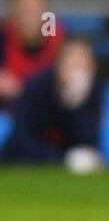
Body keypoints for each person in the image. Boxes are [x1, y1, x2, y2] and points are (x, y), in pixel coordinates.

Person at [6, 37, 102, 168]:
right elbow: (21, 140)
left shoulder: (93, 90)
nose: (76, 70)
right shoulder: (35, 86)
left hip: (65, 172)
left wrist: (74, 103)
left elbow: (89, 144)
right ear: (58, 64)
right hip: (23, 165)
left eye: (82, 64)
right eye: (71, 63)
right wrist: (63, 158)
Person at [0, 0, 63, 111]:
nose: (27, 17)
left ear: (44, 13)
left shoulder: (56, 37)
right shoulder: (3, 36)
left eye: (32, 11)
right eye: (23, 10)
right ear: (14, 13)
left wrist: (22, 88)